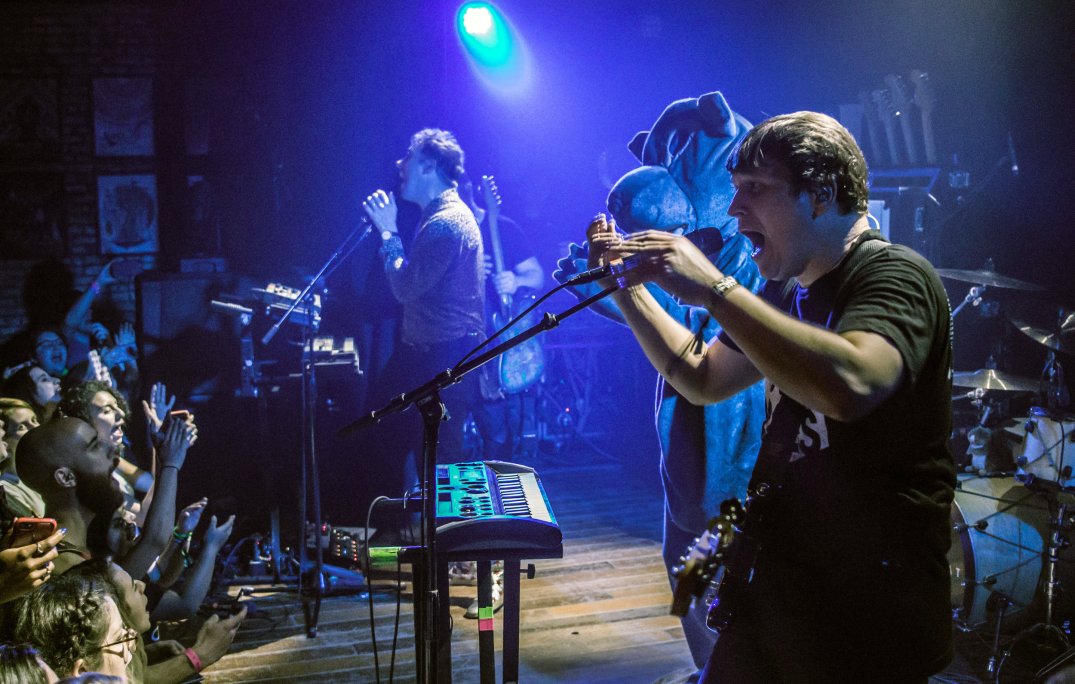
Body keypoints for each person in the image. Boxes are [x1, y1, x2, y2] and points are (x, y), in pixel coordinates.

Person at [592, 111, 955, 681]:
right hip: (786, 585)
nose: (736, 208)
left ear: (821, 194)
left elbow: (853, 384)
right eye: (735, 189)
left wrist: (715, 289)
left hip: (870, 605)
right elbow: (703, 376)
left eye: (755, 189)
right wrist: (623, 287)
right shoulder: (785, 290)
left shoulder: (894, 277)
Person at [360, 128, 485, 492]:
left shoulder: (446, 222)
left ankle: (446, 529)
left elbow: (404, 288)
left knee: (440, 471)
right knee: (402, 449)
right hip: (427, 356)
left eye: (409, 158)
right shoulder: (438, 215)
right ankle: (408, 520)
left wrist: (387, 231)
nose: (400, 165)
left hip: (442, 360)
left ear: (429, 167)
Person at [459, 174, 545, 459]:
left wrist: (515, 281)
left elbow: (537, 276)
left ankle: (499, 481)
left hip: (494, 348)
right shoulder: (447, 230)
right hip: (455, 344)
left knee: (498, 432)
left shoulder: (503, 228)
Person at [0, 398, 46, 517]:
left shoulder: (46, 473)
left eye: (34, 420)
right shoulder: (7, 488)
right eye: (21, 427)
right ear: (4, 442)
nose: (36, 427)